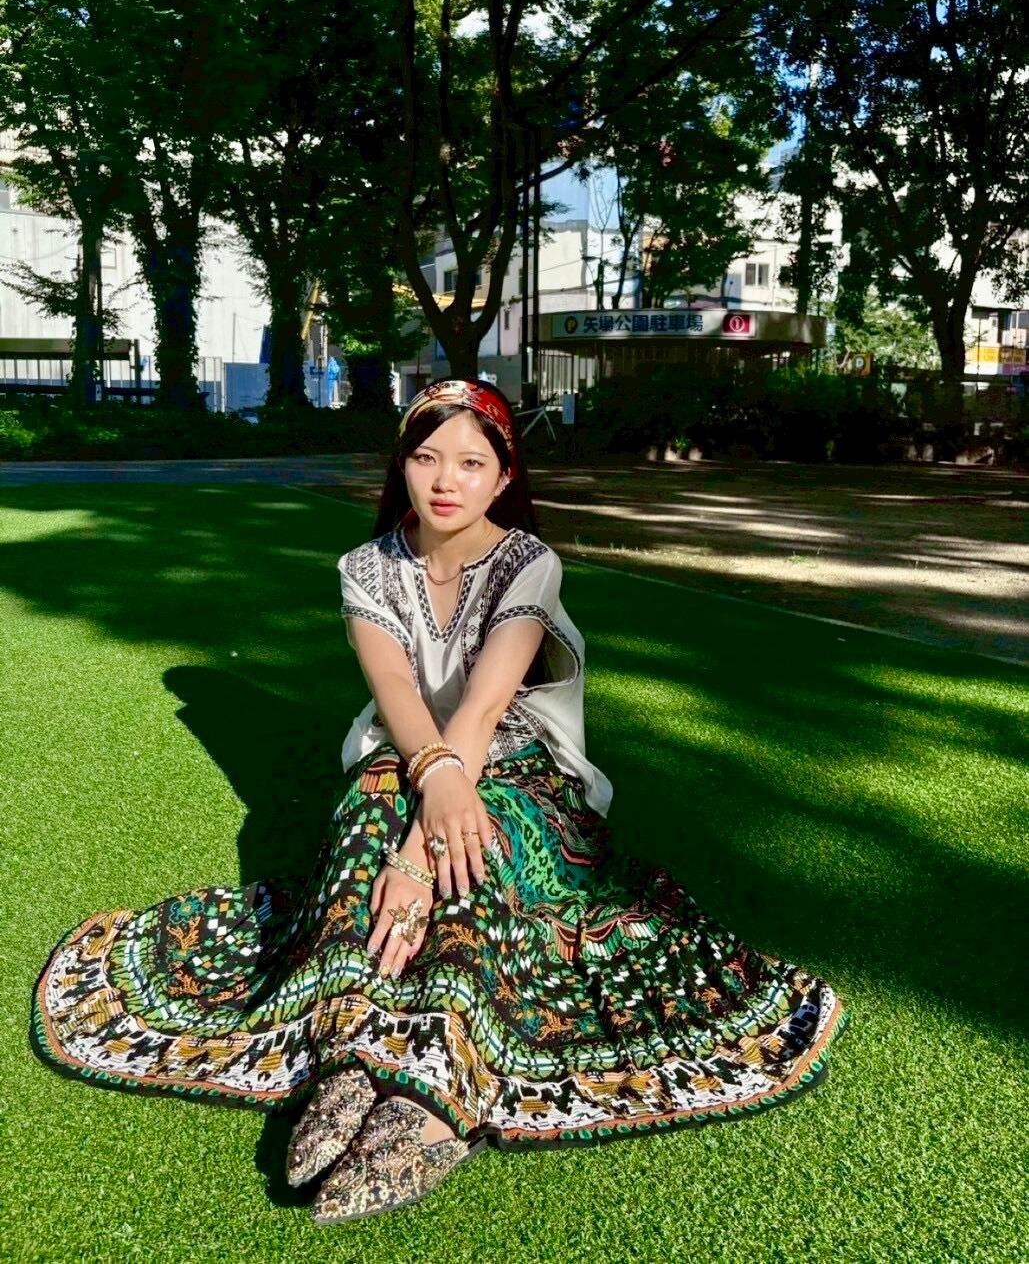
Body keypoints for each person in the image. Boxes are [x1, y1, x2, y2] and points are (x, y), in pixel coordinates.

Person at [31, 377, 850, 1224]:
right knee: (362, 834)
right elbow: (394, 688)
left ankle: (434, 1093)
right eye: (425, 458)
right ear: (402, 466)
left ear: (503, 477)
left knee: (470, 853)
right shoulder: (365, 567)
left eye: (470, 462)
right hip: (411, 750)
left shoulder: (529, 561)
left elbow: (487, 704)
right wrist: (425, 794)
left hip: (518, 758)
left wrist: (422, 848)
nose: (445, 480)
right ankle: (350, 1050)